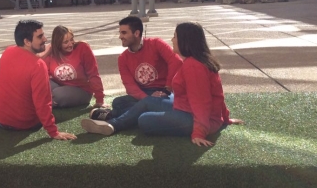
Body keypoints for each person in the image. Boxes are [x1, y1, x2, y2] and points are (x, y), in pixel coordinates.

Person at [82, 21, 243, 146]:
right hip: (186, 108)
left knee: (144, 120)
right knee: (147, 101)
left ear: (185, 41)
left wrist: (199, 133)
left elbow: (202, 102)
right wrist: (225, 118)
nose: (172, 40)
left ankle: (111, 119)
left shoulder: (194, 66)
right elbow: (218, 94)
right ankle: (112, 124)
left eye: (175, 36)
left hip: (195, 118)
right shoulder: (194, 61)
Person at [0, 20, 77, 141]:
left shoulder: (7, 52)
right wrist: (53, 132)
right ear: (27, 42)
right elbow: (43, 103)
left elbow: (26, 60)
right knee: (51, 99)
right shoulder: (38, 66)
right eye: (40, 37)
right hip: (24, 123)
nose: (45, 39)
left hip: (1, 119)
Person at [89, 16, 182, 122]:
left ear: (136, 33)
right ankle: (147, 112)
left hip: (163, 93)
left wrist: (168, 87)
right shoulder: (123, 58)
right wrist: (146, 98)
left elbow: (176, 61)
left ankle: (112, 117)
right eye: (120, 33)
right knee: (117, 102)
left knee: (122, 106)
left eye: (124, 33)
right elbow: (130, 86)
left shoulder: (156, 44)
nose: (120, 36)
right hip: (144, 93)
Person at [42, 25, 106, 108]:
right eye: (65, 42)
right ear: (57, 44)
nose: (70, 44)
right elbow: (44, 74)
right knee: (43, 85)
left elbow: (93, 74)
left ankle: (44, 103)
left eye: (71, 39)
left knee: (56, 95)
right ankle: (45, 101)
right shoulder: (52, 52)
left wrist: (100, 99)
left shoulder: (83, 48)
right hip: (60, 85)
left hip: (81, 89)